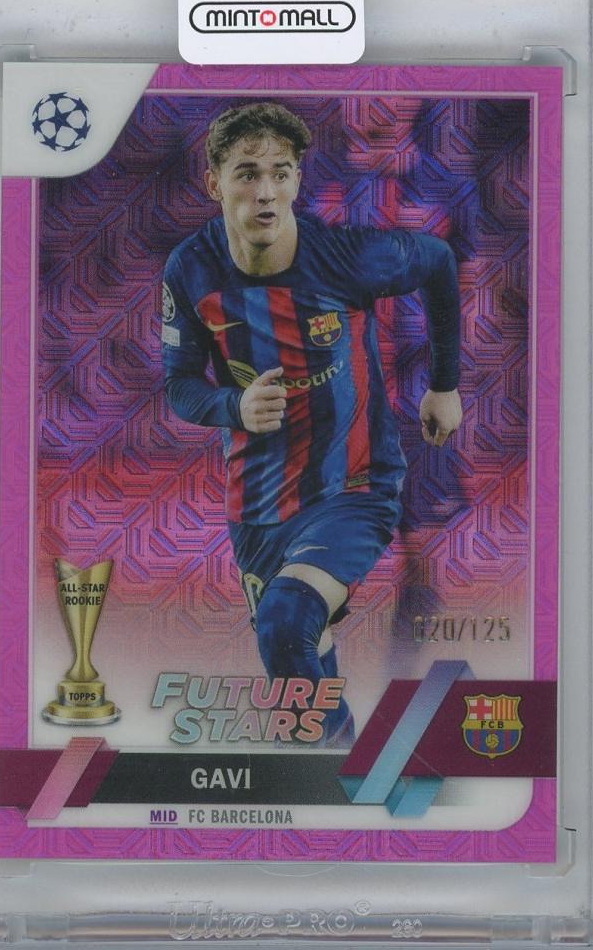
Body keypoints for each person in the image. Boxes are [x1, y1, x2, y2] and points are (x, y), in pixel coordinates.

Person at [162, 102, 463, 746]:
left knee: (285, 619)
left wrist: (444, 385)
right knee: (298, 642)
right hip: (257, 503)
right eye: (247, 174)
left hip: (353, 485)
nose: (265, 192)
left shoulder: (348, 257)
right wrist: (233, 408)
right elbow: (180, 385)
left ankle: (319, 770)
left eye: (281, 173)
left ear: (298, 180)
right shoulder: (190, 269)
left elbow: (437, 261)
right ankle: (338, 748)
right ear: (213, 183)